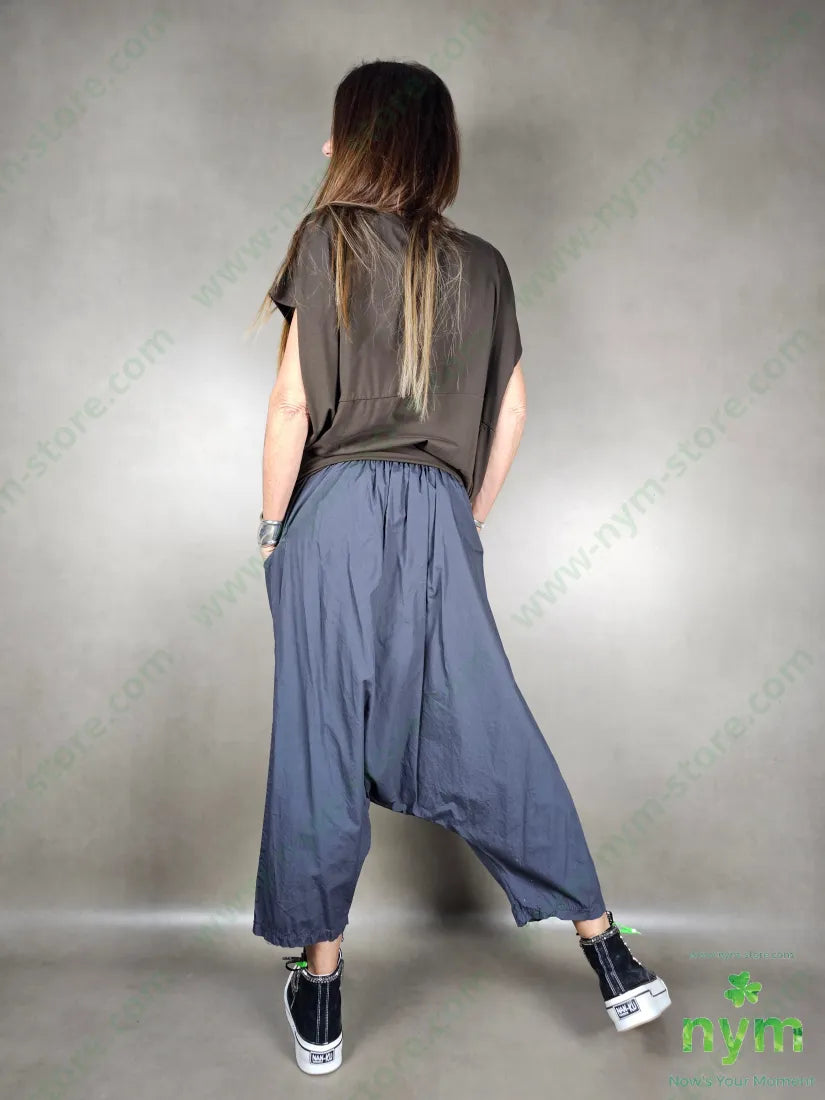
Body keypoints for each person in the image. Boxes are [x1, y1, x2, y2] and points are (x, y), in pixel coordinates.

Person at [245, 58, 671, 1076]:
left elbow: (293, 405)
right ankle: (609, 952)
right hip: (440, 511)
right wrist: (459, 517)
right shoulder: (483, 264)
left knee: (321, 736)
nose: (325, 147)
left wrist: (271, 527)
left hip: (333, 511)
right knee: (485, 722)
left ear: (362, 141)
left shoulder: (327, 238)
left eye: (338, 131)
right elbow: (512, 410)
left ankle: (322, 997)